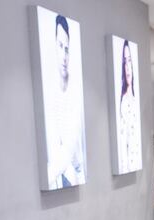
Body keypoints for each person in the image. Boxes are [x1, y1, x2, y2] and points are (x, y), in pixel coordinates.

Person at [47, 14, 85, 189]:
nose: (63, 55)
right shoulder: (50, 91)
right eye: (60, 46)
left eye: (67, 48)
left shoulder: (75, 92)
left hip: (69, 173)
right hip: (59, 176)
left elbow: (71, 147)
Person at [118, 40, 140, 172]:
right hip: (130, 164)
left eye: (130, 61)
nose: (127, 67)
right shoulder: (124, 102)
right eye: (124, 62)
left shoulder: (136, 99)